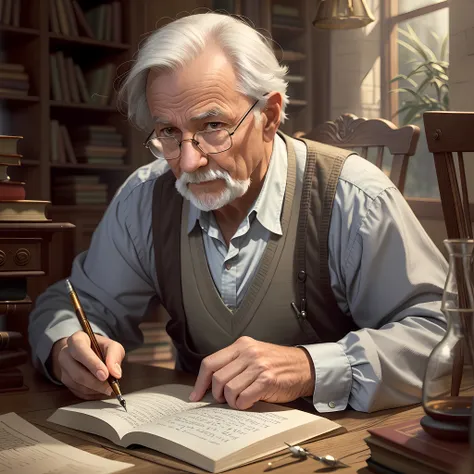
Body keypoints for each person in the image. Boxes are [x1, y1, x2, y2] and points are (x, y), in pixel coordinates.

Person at [29, 12, 448, 414]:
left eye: (213, 126)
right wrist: (67, 346)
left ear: (269, 115)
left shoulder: (355, 197)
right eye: (170, 132)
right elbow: (78, 304)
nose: (189, 162)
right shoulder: (145, 197)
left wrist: (311, 368)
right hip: (196, 444)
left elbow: (441, 336)